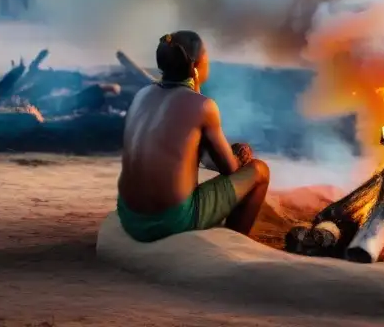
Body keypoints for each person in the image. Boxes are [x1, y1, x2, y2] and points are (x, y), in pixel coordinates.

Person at [116, 30, 270, 243]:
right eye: (206, 54)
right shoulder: (204, 106)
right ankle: (233, 245)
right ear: (195, 66)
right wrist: (239, 156)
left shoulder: (143, 95)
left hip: (130, 216)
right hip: (169, 222)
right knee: (260, 171)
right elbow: (229, 169)